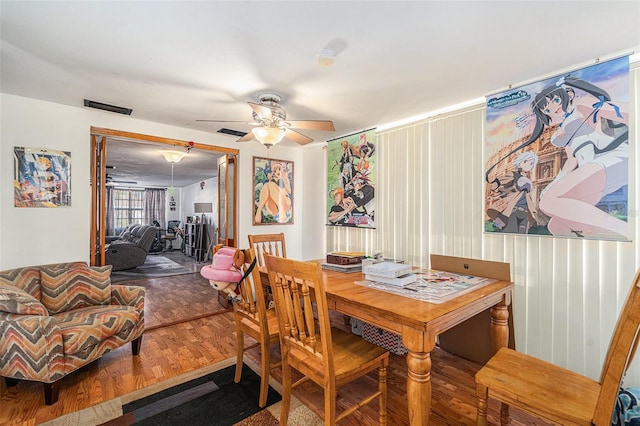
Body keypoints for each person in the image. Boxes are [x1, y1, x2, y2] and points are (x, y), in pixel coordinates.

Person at [530, 76, 628, 237]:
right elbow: (571, 161)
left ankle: (625, 230)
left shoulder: (582, 107)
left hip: (611, 158)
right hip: (593, 171)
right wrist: (552, 185)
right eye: (547, 110)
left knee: (549, 202)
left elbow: (623, 112)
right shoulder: (562, 133)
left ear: (568, 95)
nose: (553, 109)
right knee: (557, 226)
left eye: (554, 101)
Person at [486, 151, 539, 233]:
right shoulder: (513, 175)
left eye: (531, 163)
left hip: (525, 212)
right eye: (525, 161)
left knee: (523, 236)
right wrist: (495, 183)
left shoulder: (528, 179)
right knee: (510, 232)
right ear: (519, 162)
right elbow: (498, 184)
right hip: (513, 210)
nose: (528, 164)